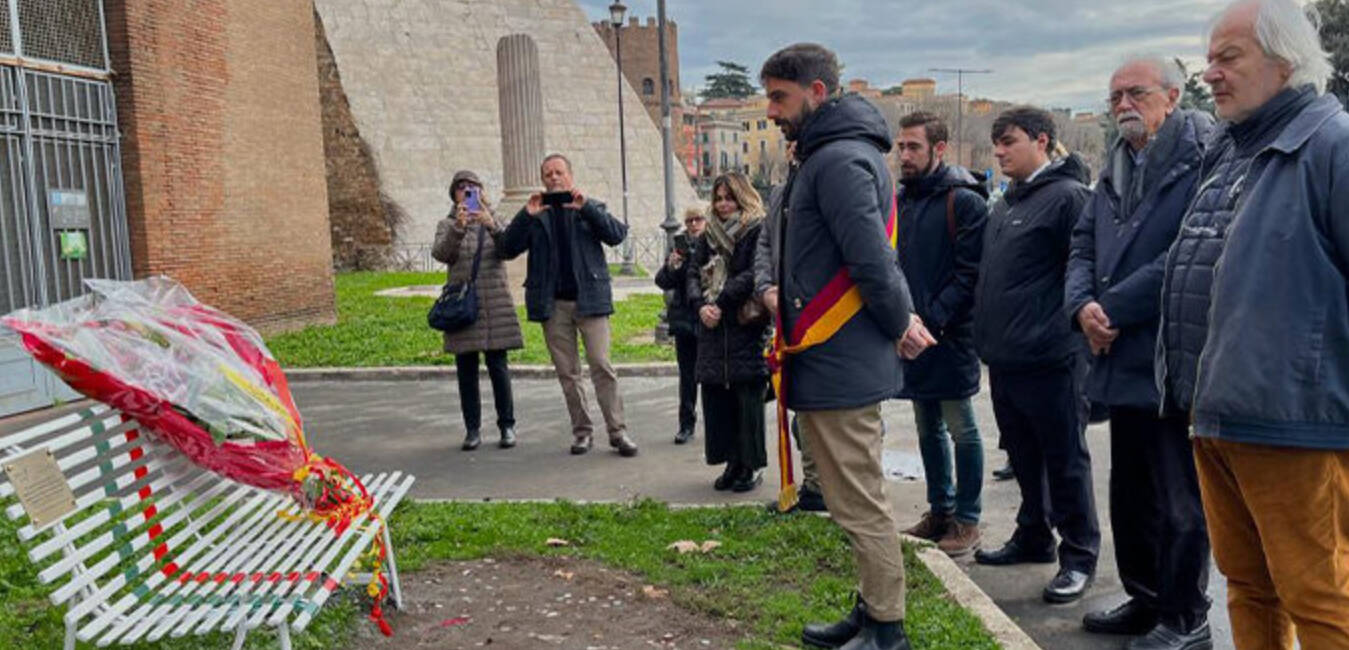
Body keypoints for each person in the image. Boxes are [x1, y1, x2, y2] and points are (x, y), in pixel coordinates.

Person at [1160, 2, 1349, 647]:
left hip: (1297, 423)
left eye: (1228, 57)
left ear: (1286, 61)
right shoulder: (1235, 150)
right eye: (1209, 58)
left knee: (1320, 596)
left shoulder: (1331, 145)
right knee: (1247, 588)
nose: (1209, 73)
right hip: (1218, 415)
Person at [762, 43, 926, 650]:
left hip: (841, 357)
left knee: (859, 501)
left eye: (780, 97)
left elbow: (871, 260)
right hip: (830, 358)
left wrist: (899, 322)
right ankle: (871, 608)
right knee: (848, 498)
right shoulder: (826, 156)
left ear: (818, 93)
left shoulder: (837, 161)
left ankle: (887, 628)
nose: (773, 110)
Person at [1066, 57, 1214, 649]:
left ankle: (1185, 617)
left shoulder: (1202, 159)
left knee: (1180, 500)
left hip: (1170, 357)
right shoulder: (1115, 166)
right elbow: (1082, 243)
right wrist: (1083, 308)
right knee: (1130, 493)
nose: (1123, 103)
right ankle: (1145, 597)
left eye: (1136, 92)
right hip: (1118, 357)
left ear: (1172, 97)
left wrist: (1111, 309)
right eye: (1115, 95)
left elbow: (1189, 252)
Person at [971, 107, 1100, 605]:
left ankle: (1080, 555)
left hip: (1053, 359)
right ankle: (1033, 535)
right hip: (1007, 359)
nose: (999, 151)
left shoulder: (1068, 198)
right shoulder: (1005, 203)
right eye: (996, 143)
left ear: (1042, 141)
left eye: (1009, 142)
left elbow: (1083, 272)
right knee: (1024, 458)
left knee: (1065, 462)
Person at [892, 111, 989, 558]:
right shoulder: (904, 200)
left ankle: (967, 519)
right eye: (901, 147)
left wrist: (930, 321)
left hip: (949, 336)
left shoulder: (964, 200)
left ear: (939, 149)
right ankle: (939, 510)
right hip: (913, 334)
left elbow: (970, 275)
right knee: (926, 427)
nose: (904, 155)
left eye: (914, 147)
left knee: (961, 429)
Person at [496, 154, 638, 457]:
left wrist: (586, 208)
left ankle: (618, 431)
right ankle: (582, 432)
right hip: (554, 305)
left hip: (590, 301)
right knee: (568, 373)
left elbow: (617, 235)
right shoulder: (536, 214)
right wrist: (525, 215)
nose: (554, 178)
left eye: (559, 172)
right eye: (548, 174)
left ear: (570, 176)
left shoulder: (589, 206)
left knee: (602, 366)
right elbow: (506, 248)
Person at [686, 173, 770, 493]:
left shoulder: (755, 229)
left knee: (746, 399)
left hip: (742, 323)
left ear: (742, 197)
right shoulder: (707, 233)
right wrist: (699, 305)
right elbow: (693, 272)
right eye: (718, 198)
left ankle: (750, 465)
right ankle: (731, 462)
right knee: (718, 400)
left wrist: (720, 300)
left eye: (729, 197)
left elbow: (754, 272)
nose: (722, 204)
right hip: (711, 326)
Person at [755, 142, 827, 513]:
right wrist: (766, 286)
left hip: (829, 314)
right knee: (800, 406)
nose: (793, 149)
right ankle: (814, 486)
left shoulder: (834, 183)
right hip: (788, 315)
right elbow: (766, 242)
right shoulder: (783, 192)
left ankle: (833, 488)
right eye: (789, 144)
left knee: (830, 411)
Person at [431, 170, 524, 451]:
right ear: (454, 194)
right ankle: (472, 430)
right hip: (463, 307)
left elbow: (509, 250)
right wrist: (459, 228)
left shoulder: (495, 219)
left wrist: (492, 225)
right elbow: (441, 254)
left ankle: (507, 426)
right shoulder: (447, 224)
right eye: (461, 188)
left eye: (472, 187)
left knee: (499, 368)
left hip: (495, 305)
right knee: (466, 371)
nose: (467, 191)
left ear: (482, 191)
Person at [655, 208, 706, 445]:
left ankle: (715, 424)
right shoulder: (680, 247)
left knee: (711, 376)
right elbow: (662, 281)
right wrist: (672, 266)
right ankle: (686, 424)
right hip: (685, 319)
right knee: (687, 376)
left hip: (708, 318)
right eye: (689, 221)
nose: (694, 224)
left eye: (698, 219)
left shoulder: (713, 243)